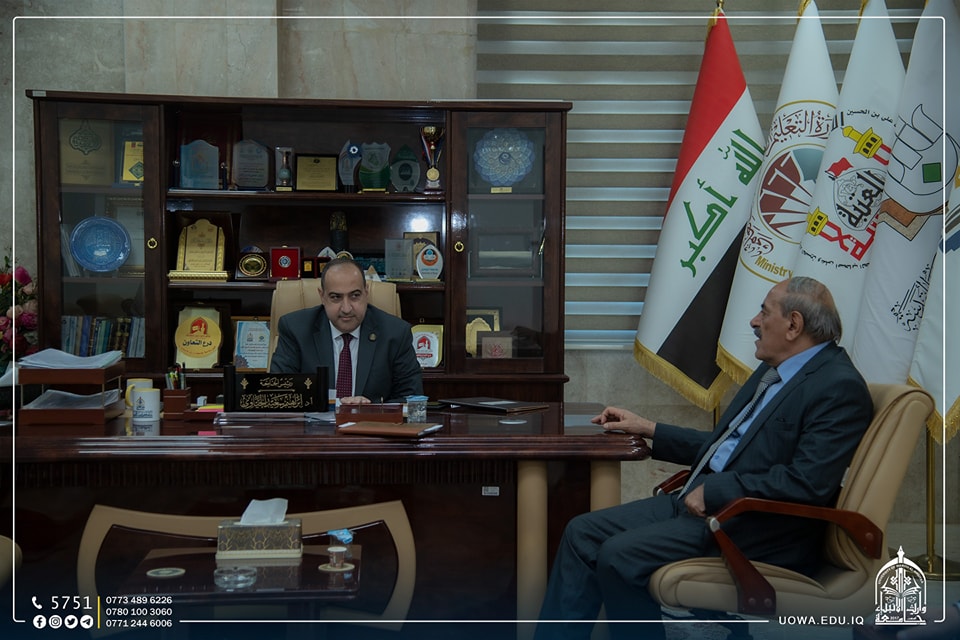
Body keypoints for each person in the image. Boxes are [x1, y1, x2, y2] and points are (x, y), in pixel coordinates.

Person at [535, 276, 873, 640]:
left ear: (793, 324)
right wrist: (648, 428)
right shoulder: (775, 371)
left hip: (757, 526)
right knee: (582, 532)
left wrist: (715, 490)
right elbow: (726, 447)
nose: (754, 321)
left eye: (764, 312)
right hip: (708, 506)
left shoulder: (837, 386)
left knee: (620, 556)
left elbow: (807, 483)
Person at [269, 257, 423, 403]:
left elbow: (411, 399)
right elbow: (278, 394)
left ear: (366, 293)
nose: (346, 308)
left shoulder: (395, 333)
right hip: (314, 422)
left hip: (370, 421)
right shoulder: (295, 329)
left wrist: (369, 410)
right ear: (322, 296)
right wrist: (333, 405)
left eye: (355, 296)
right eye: (336, 297)